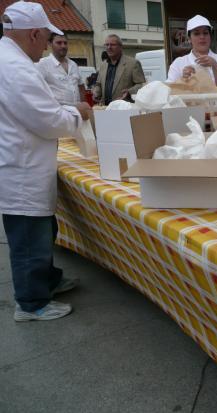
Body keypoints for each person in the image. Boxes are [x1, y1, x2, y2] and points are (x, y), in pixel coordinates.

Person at [0, 2, 91, 321]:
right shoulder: (15, 67)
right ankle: (30, 303)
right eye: (46, 39)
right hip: (21, 170)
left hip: (25, 161)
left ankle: (47, 280)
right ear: (35, 33)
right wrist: (76, 113)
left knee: (42, 231)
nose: (48, 46)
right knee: (29, 239)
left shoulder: (11, 59)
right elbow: (47, 119)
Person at [166, 15, 217, 88]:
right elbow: (170, 90)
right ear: (189, 38)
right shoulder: (178, 63)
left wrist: (214, 65)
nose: (202, 37)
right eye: (196, 33)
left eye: (205, 33)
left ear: (210, 36)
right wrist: (183, 80)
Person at [93, 34, 146, 105]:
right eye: (107, 45)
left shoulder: (133, 63)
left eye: (112, 45)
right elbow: (98, 84)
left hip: (124, 109)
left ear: (120, 47)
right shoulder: (103, 65)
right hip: (106, 108)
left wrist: (129, 92)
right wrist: (96, 92)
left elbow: (141, 85)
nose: (109, 47)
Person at [36, 33, 85, 105]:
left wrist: (83, 105)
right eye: (59, 43)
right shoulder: (42, 64)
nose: (63, 46)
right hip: (57, 114)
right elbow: (36, 92)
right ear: (50, 44)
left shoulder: (73, 65)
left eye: (65, 43)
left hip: (77, 112)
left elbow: (81, 86)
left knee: (103, 115)